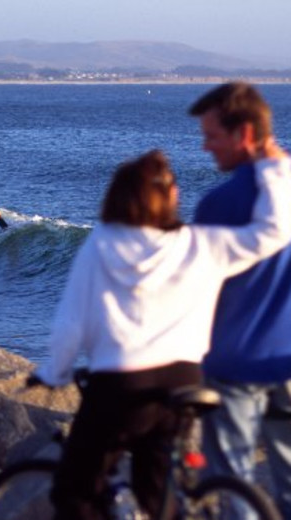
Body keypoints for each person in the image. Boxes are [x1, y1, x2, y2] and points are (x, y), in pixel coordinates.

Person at [35, 148, 291, 519]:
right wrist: (274, 168)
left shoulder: (103, 243)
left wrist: (54, 372)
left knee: (76, 490)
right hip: (183, 381)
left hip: (122, 382)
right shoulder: (198, 242)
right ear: (171, 197)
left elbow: (70, 323)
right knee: (158, 497)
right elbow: (272, 233)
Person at [190, 82, 291, 517]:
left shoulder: (218, 206)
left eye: (212, 135)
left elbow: (197, 290)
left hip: (234, 363)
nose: (205, 146)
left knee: (234, 485)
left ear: (244, 133)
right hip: (287, 359)